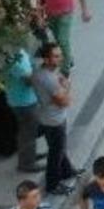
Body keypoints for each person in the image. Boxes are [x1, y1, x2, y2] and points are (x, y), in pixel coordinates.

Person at [30, 43, 81, 195]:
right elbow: (65, 102)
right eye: (56, 56)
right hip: (54, 121)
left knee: (59, 147)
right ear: (46, 59)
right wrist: (67, 86)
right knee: (55, 153)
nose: (61, 58)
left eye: (60, 55)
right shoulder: (48, 79)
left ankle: (67, 171)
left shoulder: (41, 72)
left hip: (47, 117)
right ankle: (52, 184)